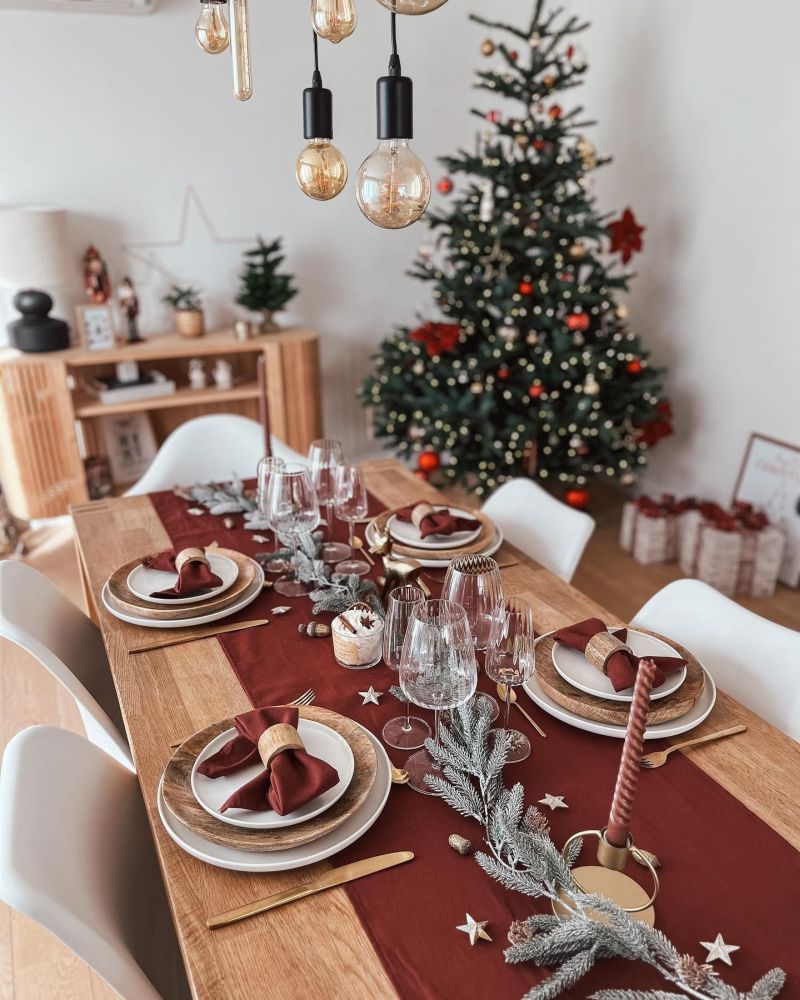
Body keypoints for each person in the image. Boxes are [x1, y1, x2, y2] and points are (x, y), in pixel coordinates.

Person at [118, 276, 141, 343]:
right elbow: (122, 302)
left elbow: (136, 301)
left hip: (132, 309)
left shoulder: (132, 292)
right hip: (127, 309)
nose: (126, 285)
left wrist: (136, 307)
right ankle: (131, 336)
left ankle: (135, 335)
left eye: (127, 284)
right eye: (125, 284)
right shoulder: (122, 293)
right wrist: (124, 308)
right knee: (129, 323)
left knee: (134, 323)